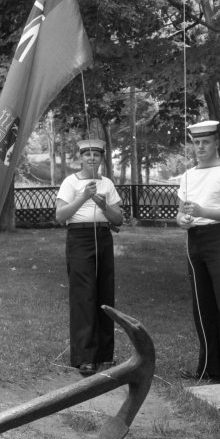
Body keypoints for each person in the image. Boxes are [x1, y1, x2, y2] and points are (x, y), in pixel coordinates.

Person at [55, 138, 124, 377]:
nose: (92, 158)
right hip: (79, 238)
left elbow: (118, 219)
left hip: (103, 237)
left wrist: (104, 206)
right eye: (87, 154)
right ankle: (85, 356)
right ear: (80, 157)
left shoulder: (107, 183)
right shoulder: (70, 182)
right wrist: (83, 197)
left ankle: (104, 353)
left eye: (96, 154)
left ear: (102, 158)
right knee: (83, 295)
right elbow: (60, 215)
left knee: (105, 292)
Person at [177, 120, 220, 384]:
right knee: (202, 305)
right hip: (195, 239)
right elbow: (180, 212)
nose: (200, 147)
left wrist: (204, 212)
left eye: (206, 142)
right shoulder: (188, 176)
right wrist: (182, 220)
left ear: (217, 143)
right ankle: (209, 367)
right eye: (196, 142)